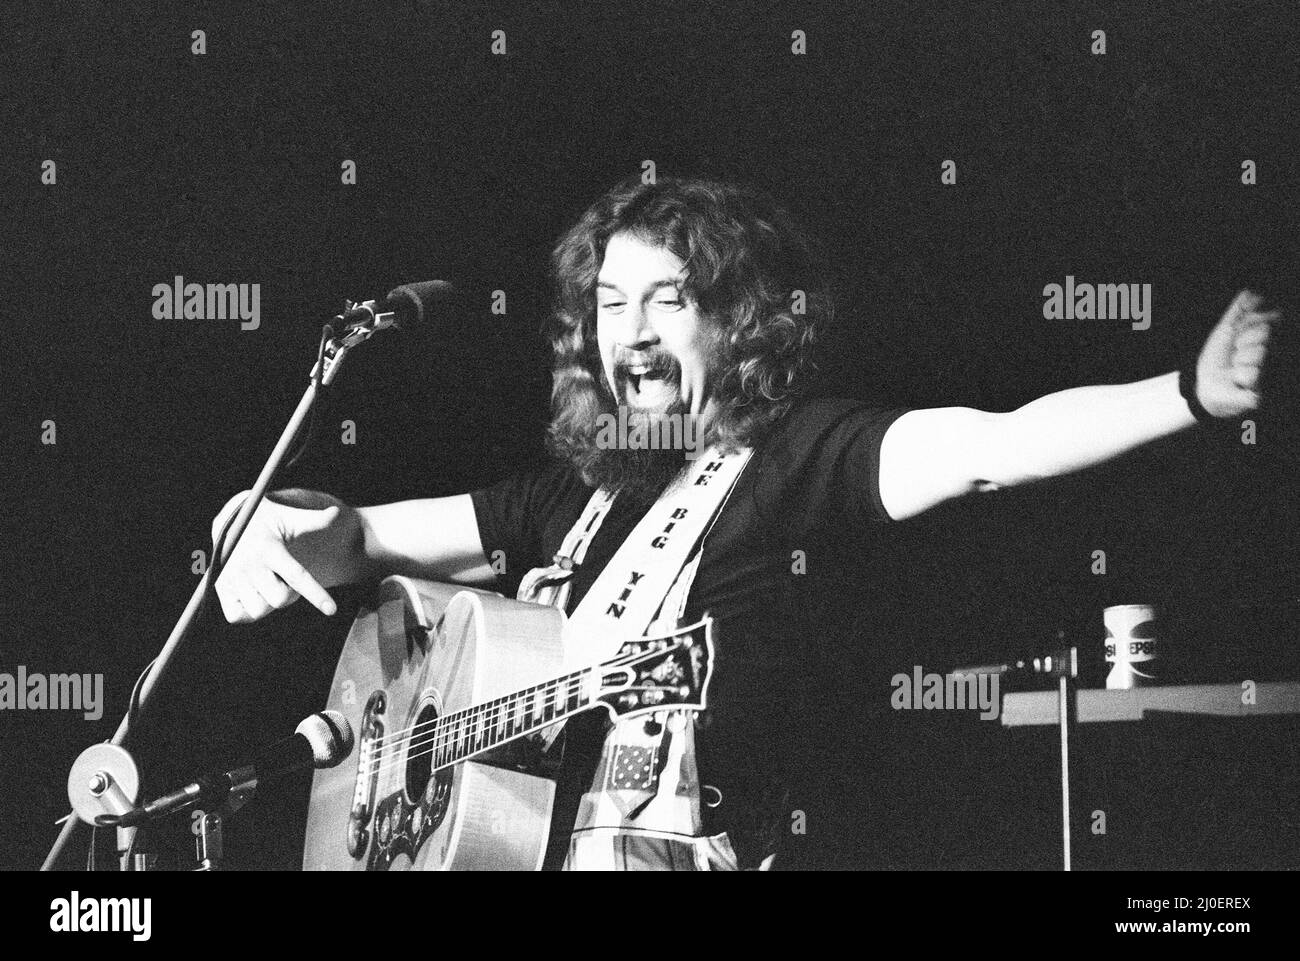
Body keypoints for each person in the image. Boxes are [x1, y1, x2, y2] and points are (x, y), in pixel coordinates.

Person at [211, 176, 1278, 870]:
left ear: (730, 318)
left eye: (666, 298)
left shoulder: (791, 460)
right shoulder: (565, 496)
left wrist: (1184, 391)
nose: (630, 327)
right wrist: (250, 524)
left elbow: (986, 448)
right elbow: (355, 538)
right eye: (611, 301)